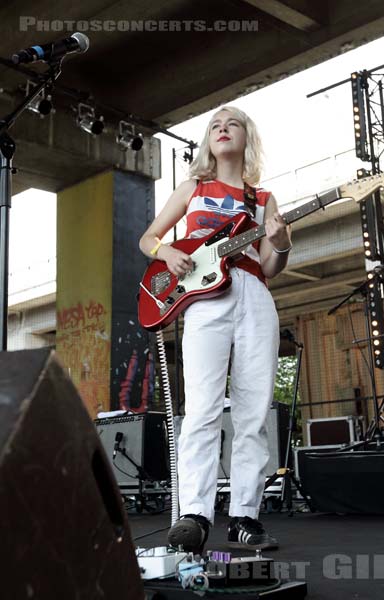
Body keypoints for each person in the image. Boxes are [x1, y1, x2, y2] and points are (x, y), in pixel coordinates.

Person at [139, 105, 292, 553]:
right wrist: (167, 254)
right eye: (215, 126)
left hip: (254, 294)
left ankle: (246, 514)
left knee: (253, 410)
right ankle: (195, 515)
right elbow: (149, 238)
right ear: (209, 141)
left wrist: (281, 244)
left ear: (247, 137)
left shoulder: (262, 200)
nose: (223, 128)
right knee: (203, 408)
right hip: (205, 299)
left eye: (233, 123)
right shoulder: (194, 188)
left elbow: (270, 264)